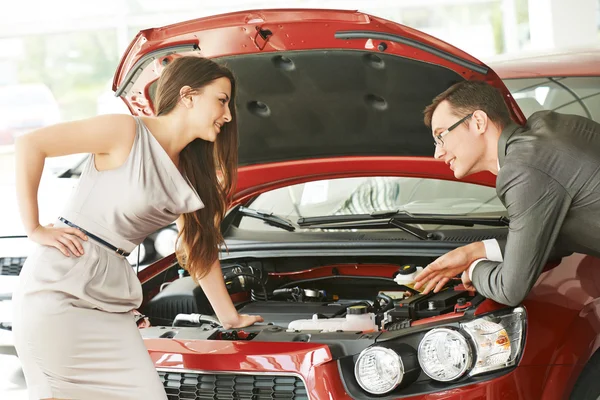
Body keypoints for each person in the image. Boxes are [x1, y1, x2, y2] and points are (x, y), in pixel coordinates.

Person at [12, 56, 263, 400]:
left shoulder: (190, 172)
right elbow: (31, 144)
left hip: (112, 303)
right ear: (188, 96)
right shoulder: (126, 131)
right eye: (221, 100)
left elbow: (197, 248)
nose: (228, 115)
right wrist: (35, 228)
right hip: (61, 289)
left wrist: (229, 318)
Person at [413, 80, 600, 307]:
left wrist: (474, 269)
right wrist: (476, 250)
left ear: (479, 122)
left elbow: (509, 289)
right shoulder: (544, 131)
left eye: (441, 136)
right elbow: (553, 235)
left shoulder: (523, 170)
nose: (437, 153)